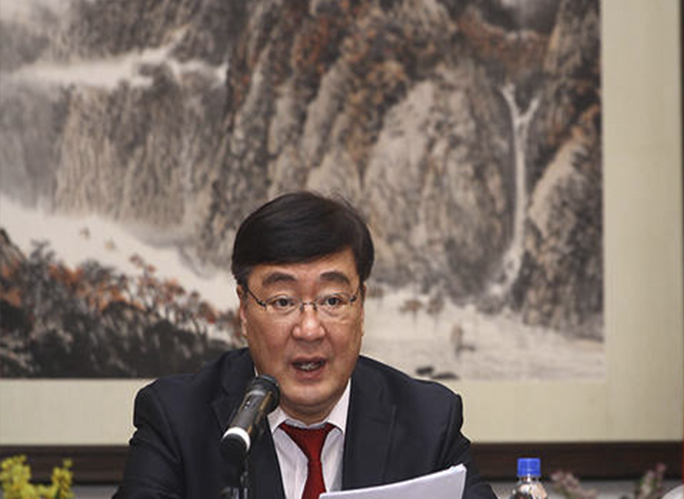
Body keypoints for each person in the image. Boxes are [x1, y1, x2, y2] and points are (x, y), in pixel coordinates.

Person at [115, 191, 497, 499]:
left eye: (332, 300)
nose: (310, 329)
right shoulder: (177, 418)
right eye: (283, 301)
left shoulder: (429, 421)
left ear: (361, 306)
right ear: (244, 310)